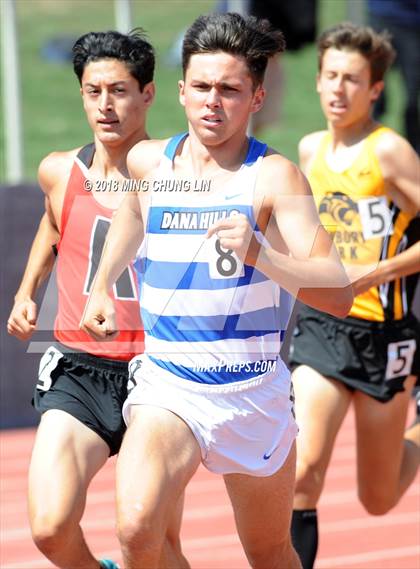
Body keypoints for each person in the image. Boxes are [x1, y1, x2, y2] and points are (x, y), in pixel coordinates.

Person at [81, 13, 353, 568]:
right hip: (170, 384)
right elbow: (132, 214)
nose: (212, 102)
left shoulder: (274, 177)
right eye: (202, 87)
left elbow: (337, 290)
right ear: (181, 91)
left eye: (229, 89)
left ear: (255, 97)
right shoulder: (148, 161)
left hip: (251, 392)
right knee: (135, 530)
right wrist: (103, 285)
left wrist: (261, 253)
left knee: (269, 552)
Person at [7, 30, 186, 569]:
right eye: (93, 91)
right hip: (79, 370)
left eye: (120, 91)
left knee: (152, 544)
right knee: (50, 528)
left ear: (149, 94)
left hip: (157, 376)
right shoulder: (60, 171)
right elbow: (53, 223)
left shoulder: (176, 179)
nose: (105, 106)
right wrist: (26, 290)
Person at [287, 23, 420, 569]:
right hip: (322, 329)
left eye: (353, 80)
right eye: (331, 76)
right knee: (301, 475)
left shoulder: (389, 153)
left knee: (378, 499)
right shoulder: (309, 149)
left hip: (385, 339)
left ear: (375, 89)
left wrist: (375, 273)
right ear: (317, 82)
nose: (339, 89)